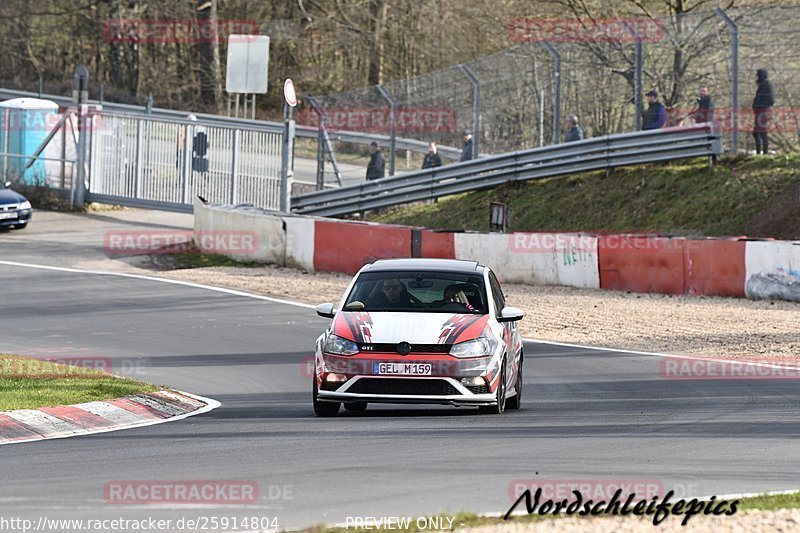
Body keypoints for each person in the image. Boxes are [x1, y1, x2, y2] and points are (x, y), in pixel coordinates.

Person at [753, 69, 775, 155]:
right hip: (759, 111)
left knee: (762, 132)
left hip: (763, 111)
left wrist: (759, 105)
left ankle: (764, 153)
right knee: (757, 132)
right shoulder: (762, 86)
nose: (756, 77)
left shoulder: (767, 85)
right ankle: (759, 152)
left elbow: (771, 100)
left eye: (758, 75)